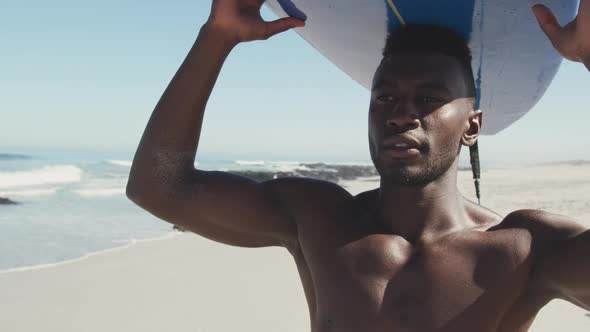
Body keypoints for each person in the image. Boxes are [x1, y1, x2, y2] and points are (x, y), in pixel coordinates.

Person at [126, 0, 590, 330]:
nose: (401, 113)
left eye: (429, 98)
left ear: (472, 126)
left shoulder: (524, 249)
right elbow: (158, 188)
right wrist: (218, 37)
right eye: (385, 96)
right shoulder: (320, 218)